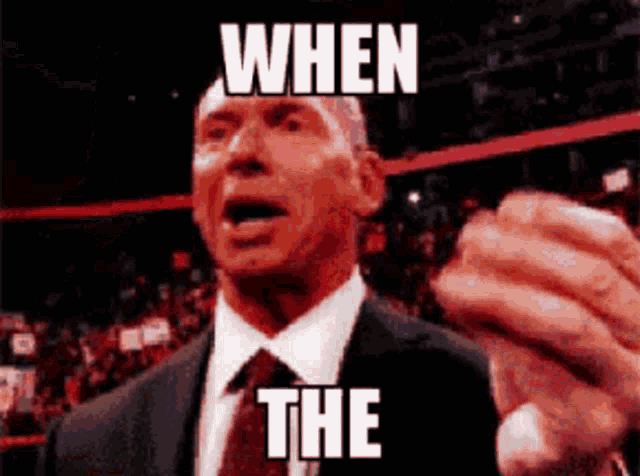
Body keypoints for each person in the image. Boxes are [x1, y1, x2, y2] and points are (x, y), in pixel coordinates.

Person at [34, 77, 639, 476]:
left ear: (367, 182)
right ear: (196, 197)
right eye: (216, 133)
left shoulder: (488, 409)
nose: (242, 152)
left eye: (289, 123)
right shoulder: (83, 447)